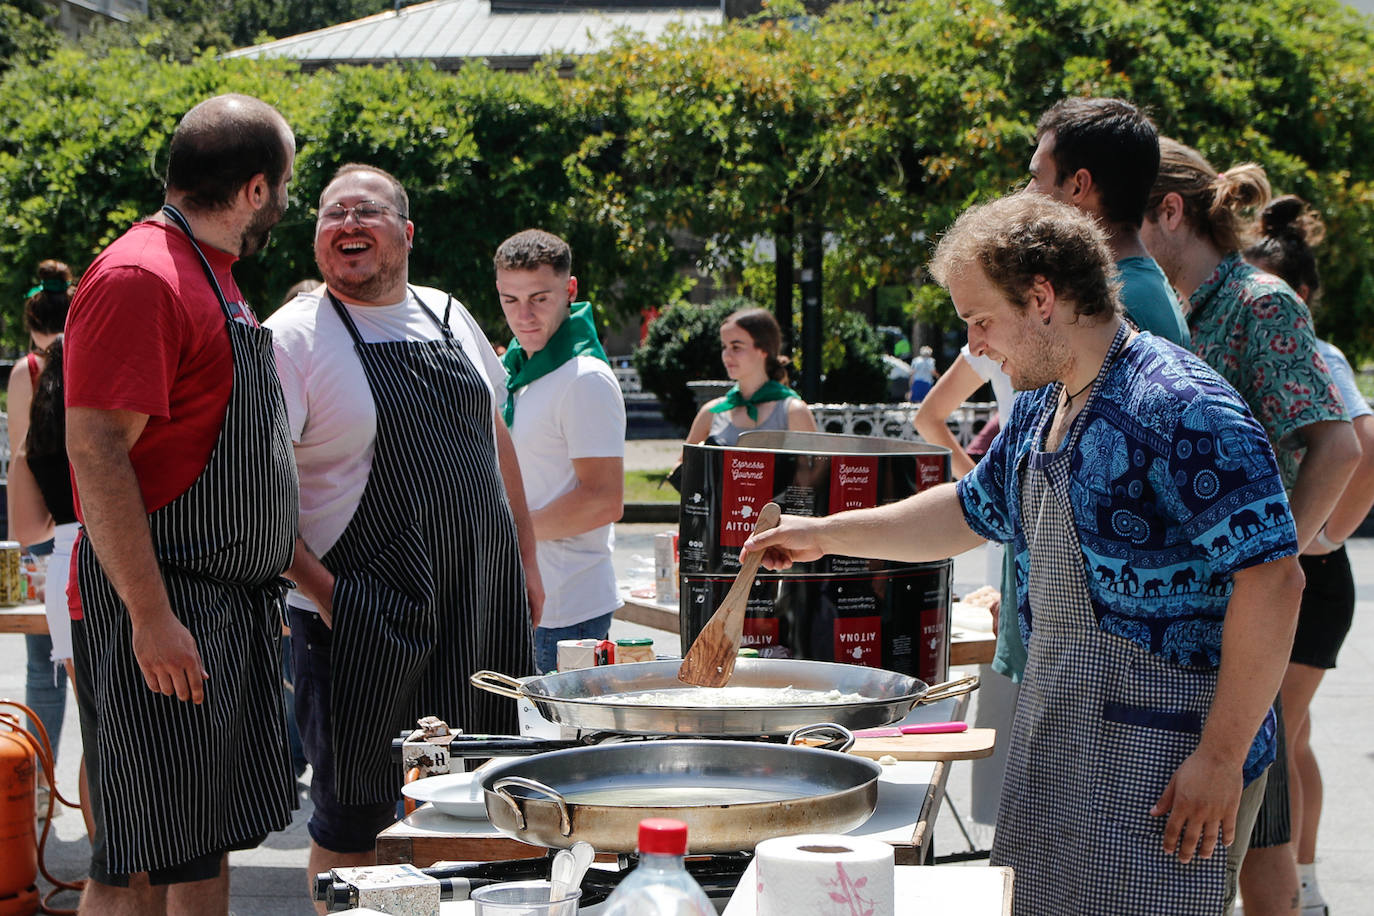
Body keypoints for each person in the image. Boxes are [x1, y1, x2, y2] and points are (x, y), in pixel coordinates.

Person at [745, 193, 1303, 914]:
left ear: (1042, 298)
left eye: (981, 321)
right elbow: (970, 510)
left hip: (1172, 761)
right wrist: (823, 535)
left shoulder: (1183, 407)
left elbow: (1275, 579)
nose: (975, 346)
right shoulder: (1046, 403)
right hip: (1065, 725)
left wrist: (1222, 758)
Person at [266, 163, 541, 901]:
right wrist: (335, 601)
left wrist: (526, 561)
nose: (347, 225)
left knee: (486, 807)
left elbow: (494, 436)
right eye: (331, 215)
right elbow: (256, 497)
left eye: (366, 212)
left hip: (480, 610)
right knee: (354, 825)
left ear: (407, 232)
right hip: (361, 625)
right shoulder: (290, 338)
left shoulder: (450, 315)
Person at [63, 94, 299, 913]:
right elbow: (95, 449)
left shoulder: (212, 276)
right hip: (165, 608)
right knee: (158, 857)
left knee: (190, 846)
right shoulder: (142, 274)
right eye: (286, 187)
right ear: (258, 189)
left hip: (217, 606)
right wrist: (152, 614)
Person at [1141, 141, 1359, 915]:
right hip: (1189, 623)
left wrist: (1275, 559)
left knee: (1250, 821)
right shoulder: (1168, 303)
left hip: (1242, 620)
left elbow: (1338, 445)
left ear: (1170, 212)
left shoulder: (1260, 303)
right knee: (1244, 826)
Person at [1243, 195, 1374, 915]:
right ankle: (1305, 886)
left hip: (1309, 577)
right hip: (1304, 572)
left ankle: (1290, 891)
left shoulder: (1316, 353)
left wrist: (1318, 537)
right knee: (1293, 738)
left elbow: (1365, 447)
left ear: (1298, 298)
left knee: (1276, 743)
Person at [494, 229, 626, 675]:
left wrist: (505, 534)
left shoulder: (583, 378)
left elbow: (603, 500)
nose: (523, 315)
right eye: (510, 300)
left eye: (539, 298)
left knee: (553, 743)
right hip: (526, 601)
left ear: (570, 290)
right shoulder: (520, 369)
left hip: (565, 609)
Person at [1027, 96, 1190, 345]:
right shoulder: (1138, 287)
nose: (1026, 194)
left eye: (1036, 178)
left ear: (1078, 185)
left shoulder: (1111, 306)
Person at [6, 261, 72, 799]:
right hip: (98, 525)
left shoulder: (27, 369)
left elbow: (21, 461)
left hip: (49, 532)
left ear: (31, 319)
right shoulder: (95, 359)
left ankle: (37, 788)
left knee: (40, 666)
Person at [685, 308, 817, 446]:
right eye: (724, 346)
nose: (726, 355)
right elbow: (682, 463)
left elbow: (815, 466)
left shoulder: (793, 411)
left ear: (764, 350)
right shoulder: (712, 411)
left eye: (736, 347)